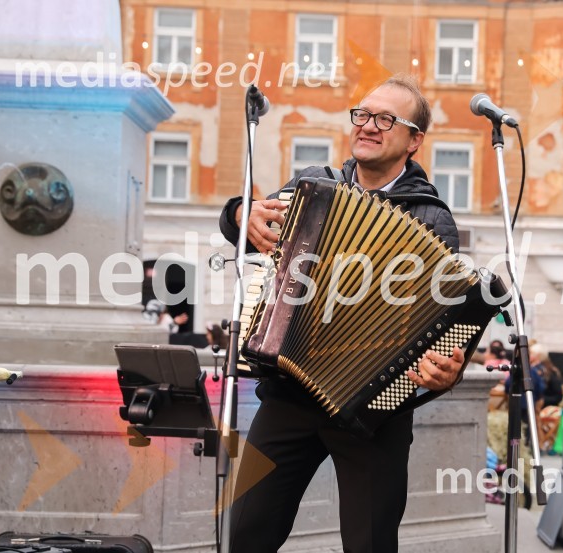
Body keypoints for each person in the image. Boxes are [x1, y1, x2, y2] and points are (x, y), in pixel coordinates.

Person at [218, 75, 465, 553]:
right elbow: (247, 220)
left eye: (386, 119)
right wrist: (239, 214)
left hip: (372, 410)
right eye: (363, 114)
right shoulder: (313, 186)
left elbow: (442, 328)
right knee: (243, 533)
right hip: (289, 391)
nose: (369, 126)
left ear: (414, 140)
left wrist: (445, 369)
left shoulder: (432, 218)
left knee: (369, 544)